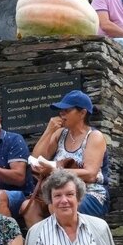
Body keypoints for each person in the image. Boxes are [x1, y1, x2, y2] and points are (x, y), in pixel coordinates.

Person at [23, 91, 109, 227]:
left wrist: (55, 170)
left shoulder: (94, 136)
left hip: (89, 192)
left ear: (82, 113)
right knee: (29, 206)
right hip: (58, 191)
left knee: (57, 207)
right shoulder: (60, 134)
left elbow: (91, 174)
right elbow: (36, 158)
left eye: (67, 110)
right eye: (60, 111)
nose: (62, 114)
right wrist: (49, 131)